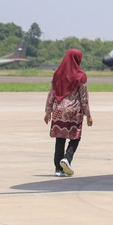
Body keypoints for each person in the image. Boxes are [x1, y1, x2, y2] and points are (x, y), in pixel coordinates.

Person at [44, 48, 92, 177]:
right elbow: (84, 97)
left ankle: (58, 169)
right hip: (74, 111)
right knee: (75, 137)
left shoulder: (57, 74)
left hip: (59, 110)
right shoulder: (81, 76)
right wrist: (88, 115)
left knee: (60, 138)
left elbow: (51, 93)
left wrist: (48, 111)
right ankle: (67, 158)